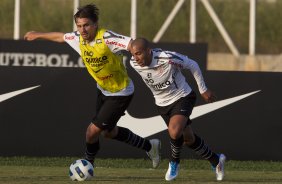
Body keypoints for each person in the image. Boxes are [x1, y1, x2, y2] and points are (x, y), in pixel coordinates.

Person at [24, 4, 160, 169]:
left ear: (96, 24)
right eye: (79, 26)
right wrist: (37, 34)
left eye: (86, 25)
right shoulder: (78, 38)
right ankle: (149, 146)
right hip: (103, 89)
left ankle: (87, 165)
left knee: (91, 132)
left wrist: (144, 57)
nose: (82, 30)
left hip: (120, 91)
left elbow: (132, 44)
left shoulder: (107, 38)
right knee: (108, 132)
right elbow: (61, 37)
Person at [129, 38, 226, 181]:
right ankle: (216, 160)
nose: (136, 58)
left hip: (183, 97)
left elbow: (192, 64)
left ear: (148, 51)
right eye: (133, 54)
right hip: (162, 104)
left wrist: (203, 89)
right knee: (188, 139)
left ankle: (174, 163)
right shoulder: (133, 63)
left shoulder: (167, 58)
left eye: (139, 54)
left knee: (174, 131)